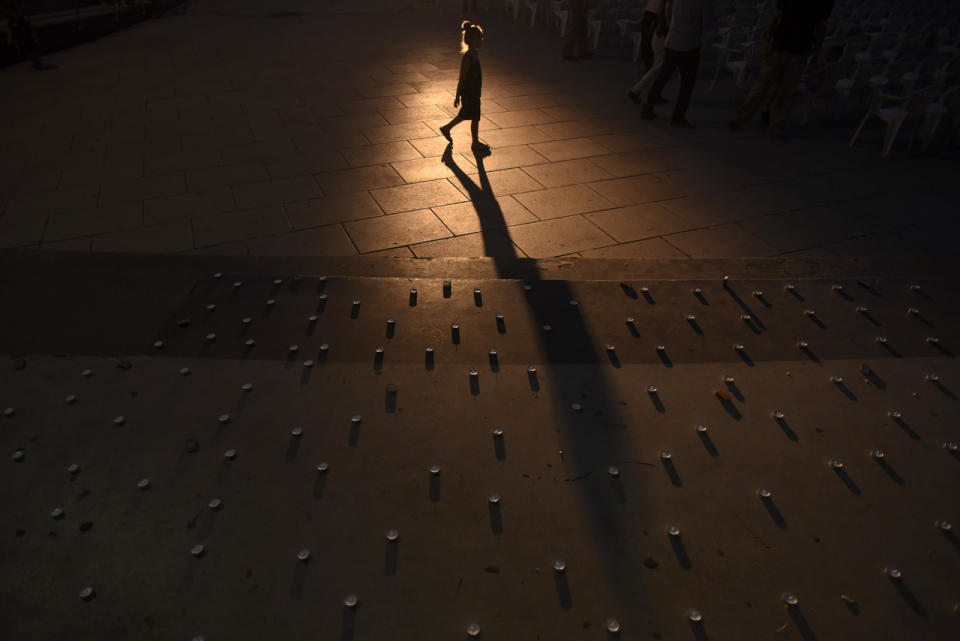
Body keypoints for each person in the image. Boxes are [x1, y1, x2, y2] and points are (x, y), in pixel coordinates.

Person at [728, 0, 834, 139]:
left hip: (800, 50)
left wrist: (815, 54)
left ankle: (776, 124)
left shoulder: (824, 3)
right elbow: (775, 18)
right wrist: (766, 43)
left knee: (786, 91)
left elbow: (821, 27)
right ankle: (742, 117)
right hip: (780, 47)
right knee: (762, 87)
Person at [640, 0, 715, 128]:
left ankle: (648, 108)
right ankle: (678, 117)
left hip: (672, 40)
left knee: (662, 77)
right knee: (687, 84)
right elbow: (708, 23)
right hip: (690, 44)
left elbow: (667, 12)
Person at [439, 20, 490, 153]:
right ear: (473, 40)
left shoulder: (474, 54)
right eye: (480, 38)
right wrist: (457, 95)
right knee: (473, 116)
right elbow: (462, 77)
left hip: (474, 92)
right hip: (470, 93)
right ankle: (474, 142)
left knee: (468, 115)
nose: (482, 41)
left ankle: (447, 128)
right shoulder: (468, 57)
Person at [628, 0, 669, 106]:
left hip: (656, 20)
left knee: (659, 66)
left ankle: (652, 93)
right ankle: (638, 91)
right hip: (655, 20)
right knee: (658, 66)